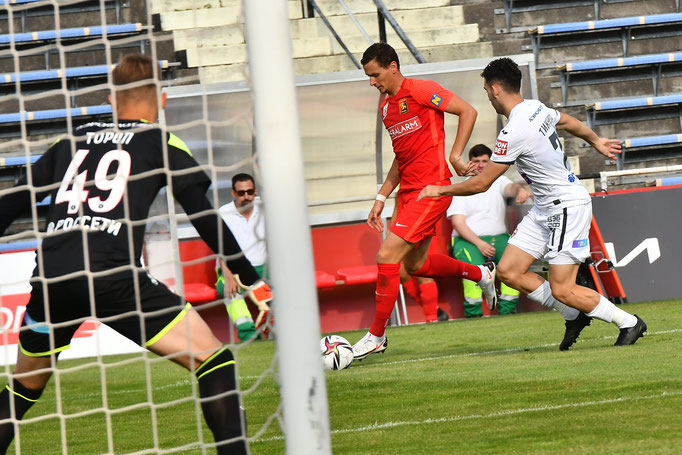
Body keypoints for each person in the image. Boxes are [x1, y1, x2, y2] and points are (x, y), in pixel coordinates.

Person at [0, 54, 272, 454]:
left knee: (23, 388)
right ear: (161, 99)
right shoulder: (160, 142)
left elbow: (12, 203)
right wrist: (249, 279)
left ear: (111, 99)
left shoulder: (68, 142)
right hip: (113, 276)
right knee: (215, 362)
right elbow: (202, 214)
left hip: (52, 280)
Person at [419, 57, 647, 349]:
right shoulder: (536, 107)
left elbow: (481, 183)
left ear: (496, 89)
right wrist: (595, 141)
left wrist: (438, 190)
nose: (488, 96)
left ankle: (629, 322)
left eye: (487, 90)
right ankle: (572, 313)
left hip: (566, 207)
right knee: (508, 271)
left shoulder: (513, 131)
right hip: (546, 207)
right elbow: (567, 121)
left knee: (563, 288)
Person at [352, 43, 498, 361]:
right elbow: (401, 158)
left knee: (386, 256)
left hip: (431, 191)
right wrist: (381, 196)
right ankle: (481, 274)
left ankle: (376, 336)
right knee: (415, 265)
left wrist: (455, 155)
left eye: (375, 75)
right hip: (407, 193)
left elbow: (467, 111)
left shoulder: (421, 90)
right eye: (368, 76)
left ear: (392, 67)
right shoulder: (386, 108)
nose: (372, 82)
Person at [447, 144, 531, 318]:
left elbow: (511, 189)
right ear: (469, 163)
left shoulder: (499, 181)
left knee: (512, 267)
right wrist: (480, 244)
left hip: (499, 237)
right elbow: (458, 223)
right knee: (473, 271)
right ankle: (473, 316)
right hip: (469, 240)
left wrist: (521, 190)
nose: (480, 165)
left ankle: (508, 312)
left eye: (485, 161)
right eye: (476, 161)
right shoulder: (461, 188)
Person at [216, 173, 268, 341]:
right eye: (241, 193)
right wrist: (229, 276)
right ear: (233, 193)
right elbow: (220, 249)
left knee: (286, 284)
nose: (246, 197)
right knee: (229, 290)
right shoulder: (223, 214)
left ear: (255, 191)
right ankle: (249, 336)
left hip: (263, 269)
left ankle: (276, 328)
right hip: (232, 270)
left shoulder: (265, 209)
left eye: (250, 192)